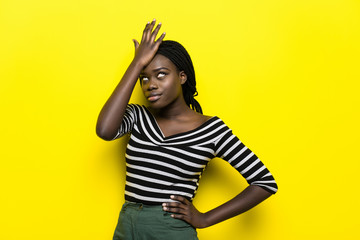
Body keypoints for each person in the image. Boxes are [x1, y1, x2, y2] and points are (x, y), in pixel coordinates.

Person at [96, 19, 278, 240]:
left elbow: (264, 182)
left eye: (161, 74)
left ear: (182, 77)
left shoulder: (211, 130)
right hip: (127, 225)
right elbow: (105, 130)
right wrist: (136, 64)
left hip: (171, 230)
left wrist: (205, 219)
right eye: (144, 78)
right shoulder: (138, 116)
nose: (150, 84)